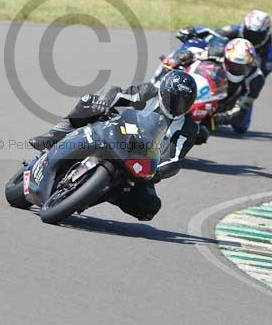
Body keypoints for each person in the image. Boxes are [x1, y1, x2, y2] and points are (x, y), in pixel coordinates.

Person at [29, 70, 198, 221]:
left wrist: (158, 173)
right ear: (164, 92)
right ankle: (53, 136)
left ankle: (99, 192)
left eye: (184, 102)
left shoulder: (188, 127)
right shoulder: (149, 92)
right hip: (117, 133)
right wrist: (104, 101)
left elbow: (174, 158)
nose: (178, 105)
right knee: (89, 101)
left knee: (149, 207)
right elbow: (118, 94)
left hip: (141, 162)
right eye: (174, 99)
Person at [176, 9, 272, 77]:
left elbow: (263, 74)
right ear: (244, 26)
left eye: (257, 35)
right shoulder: (234, 30)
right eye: (250, 33)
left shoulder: (267, 53)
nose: (252, 38)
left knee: (246, 100)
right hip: (219, 68)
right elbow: (213, 32)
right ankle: (176, 65)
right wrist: (193, 31)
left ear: (266, 32)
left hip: (242, 77)